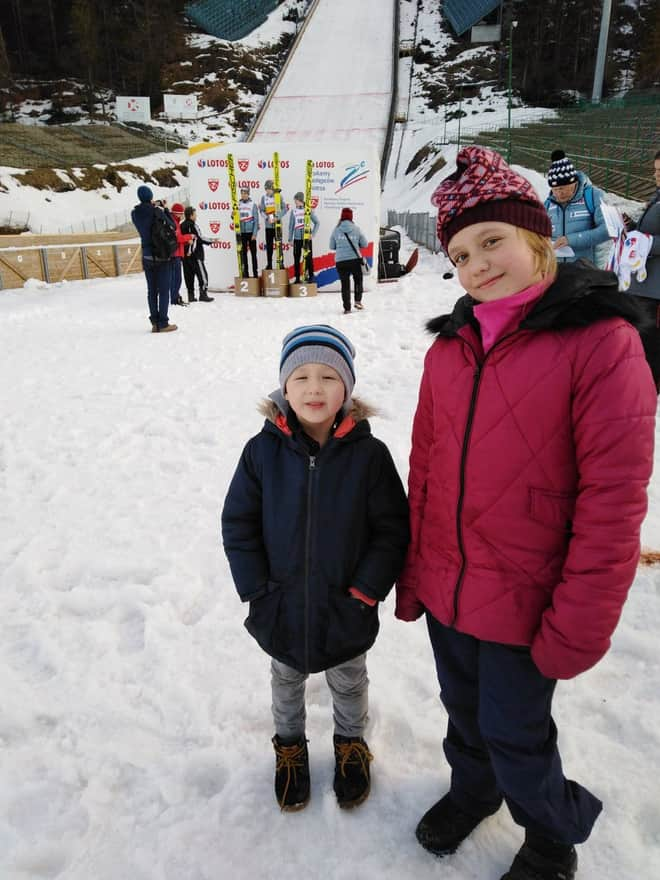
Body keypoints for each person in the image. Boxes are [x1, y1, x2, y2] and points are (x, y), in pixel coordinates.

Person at [395, 145, 656, 880]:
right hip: (451, 584)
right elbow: (426, 466)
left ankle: (550, 832)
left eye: (492, 241)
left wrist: (582, 616)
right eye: (461, 253)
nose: (477, 265)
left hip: (527, 593)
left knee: (516, 730)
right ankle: (473, 791)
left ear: (535, 236)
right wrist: (417, 572)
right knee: (464, 716)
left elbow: (613, 500)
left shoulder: (601, 341)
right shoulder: (448, 349)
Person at [222, 325, 409, 813]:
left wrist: (365, 591)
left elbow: (391, 528)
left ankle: (350, 743)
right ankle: (289, 747)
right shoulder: (261, 452)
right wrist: (257, 590)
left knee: (349, 679)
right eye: (301, 376)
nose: (314, 388)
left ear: (347, 387)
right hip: (281, 602)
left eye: (328, 376)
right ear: (284, 388)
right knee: (286, 678)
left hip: (345, 602)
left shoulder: (369, 456)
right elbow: (238, 523)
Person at [621, 149, 660, 387]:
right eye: (656, 171)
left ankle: (647, 388)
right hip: (643, 284)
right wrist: (631, 228)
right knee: (639, 340)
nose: (657, 176)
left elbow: (653, 239)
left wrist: (649, 243)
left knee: (650, 344)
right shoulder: (657, 196)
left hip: (654, 290)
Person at [544, 150, 609, 265]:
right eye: (555, 190)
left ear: (573, 183)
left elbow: (607, 230)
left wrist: (571, 240)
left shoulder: (593, 197)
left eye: (562, 188)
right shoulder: (548, 204)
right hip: (557, 271)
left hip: (586, 272)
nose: (559, 193)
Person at [130, 185, 177, 333]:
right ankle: (163, 323)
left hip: (146, 255)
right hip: (161, 255)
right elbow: (173, 226)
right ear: (151, 196)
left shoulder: (135, 214)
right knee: (163, 290)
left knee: (151, 291)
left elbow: (142, 215)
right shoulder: (157, 211)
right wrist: (165, 209)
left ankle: (154, 322)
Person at [329, 207, 368, 313]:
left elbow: (331, 246)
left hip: (340, 262)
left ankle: (347, 308)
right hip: (354, 260)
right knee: (358, 280)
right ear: (351, 217)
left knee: (345, 285)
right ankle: (358, 301)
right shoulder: (356, 229)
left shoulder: (336, 230)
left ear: (341, 217)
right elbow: (365, 244)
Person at [180, 206, 214, 303]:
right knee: (203, 275)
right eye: (195, 214)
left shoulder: (181, 226)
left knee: (188, 275)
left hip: (186, 257)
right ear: (191, 215)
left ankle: (191, 296)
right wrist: (211, 241)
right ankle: (203, 294)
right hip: (196, 255)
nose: (196, 216)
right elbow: (200, 238)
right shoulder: (194, 225)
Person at [288, 191, 319, 283]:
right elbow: (291, 226)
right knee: (296, 257)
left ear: (300, 200)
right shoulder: (294, 211)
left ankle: (311, 276)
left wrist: (312, 234)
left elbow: (317, 222)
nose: (295, 202)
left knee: (309, 257)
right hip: (297, 238)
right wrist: (290, 239)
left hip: (306, 238)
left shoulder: (308, 210)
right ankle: (297, 278)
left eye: (296, 200)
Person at [259, 179, 288, 271]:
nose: (267, 191)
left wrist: (277, 217)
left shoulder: (278, 196)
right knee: (269, 246)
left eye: (269, 189)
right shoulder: (264, 198)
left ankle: (281, 263)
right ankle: (269, 264)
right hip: (268, 226)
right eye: (266, 189)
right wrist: (267, 218)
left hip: (278, 225)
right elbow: (262, 210)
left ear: (272, 188)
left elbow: (285, 209)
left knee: (279, 245)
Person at [169, 203, 194, 306]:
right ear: (177, 213)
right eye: (181, 213)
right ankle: (175, 299)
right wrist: (189, 237)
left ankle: (176, 297)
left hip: (176, 253)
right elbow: (177, 238)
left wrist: (186, 240)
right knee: (176, 278)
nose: (182, 215)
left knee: (176, 278)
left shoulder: (175, 222)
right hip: (175, 254)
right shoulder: (173, 222)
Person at [238, 186, 259, 278]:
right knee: (243, 254)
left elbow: (256, 219)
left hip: (251, 233)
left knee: (253, 254)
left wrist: (254, 233)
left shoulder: (253, 204)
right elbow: (235, 217)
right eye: (242, 193)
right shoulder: (238, 204)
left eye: (245, 193)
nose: (243, 195)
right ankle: (245, 273)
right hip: (242, 232)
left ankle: (255, 273)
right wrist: (233, 215)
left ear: (248, 194)